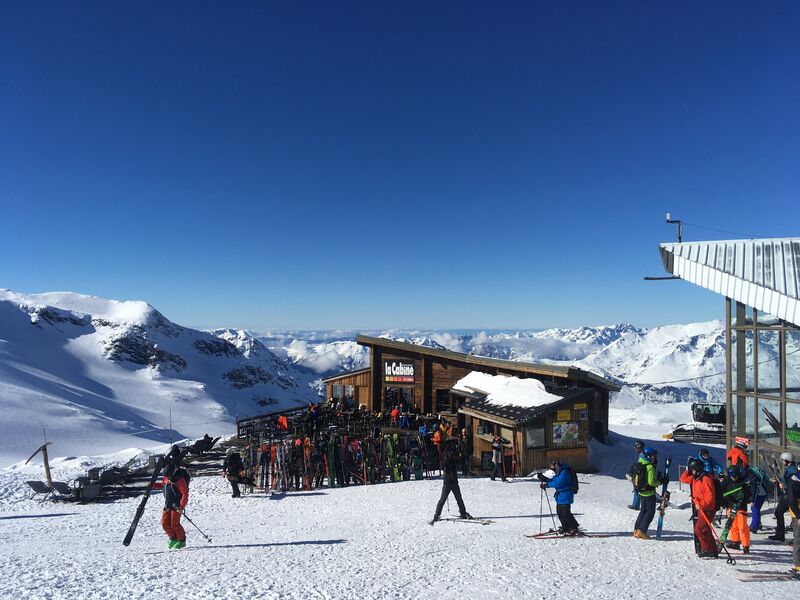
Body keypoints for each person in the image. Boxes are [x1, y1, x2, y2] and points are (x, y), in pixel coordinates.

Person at [680, 458, 719, 558]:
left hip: (708, 508)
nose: (691, 471)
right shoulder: (695, 478)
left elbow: (710, 496)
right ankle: (713, 550)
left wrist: (700, 505)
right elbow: (683, 479)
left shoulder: (705, 478)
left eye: (692, 469)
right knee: (705, 529)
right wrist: (687, 470)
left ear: (697, 469)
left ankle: (707, 549)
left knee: (699, 529)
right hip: (701, 508)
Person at [430, 436, 472, 523]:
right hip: (448, 481)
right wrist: (452, 458)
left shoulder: (448, 454)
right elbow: (444, 464)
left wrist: (455, 458)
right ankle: (437, 514)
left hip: (452, 480)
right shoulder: (446, 455)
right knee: (444, 499)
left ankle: (462, 513)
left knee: (458, 498)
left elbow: (458, 461)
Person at [154, 462, 190, 550]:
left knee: (175, 524)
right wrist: (153, 485)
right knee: (164, 523)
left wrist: (181, 506)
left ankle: (181, 541)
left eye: (169, 476)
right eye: (166, 476)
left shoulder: (179, 480)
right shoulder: (166, 478)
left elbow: (185, 493)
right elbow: (163, 486)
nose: (168, 478)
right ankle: (173, 538)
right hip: (167, 504)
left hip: (177, 505)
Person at [632, 447, 666, 540]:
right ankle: (642, 531)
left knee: (643, 511)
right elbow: (651, 482)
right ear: (648, 457)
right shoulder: (650, 467)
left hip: (642, 492)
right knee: (650, 512)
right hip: (649, 493)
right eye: (653, 457)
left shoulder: (641, 463)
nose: (654, 458)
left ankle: (636, 530)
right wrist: (660, 481)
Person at [538, 460, 580, 535]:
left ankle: (574, 527)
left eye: (553, 467)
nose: (552, 469)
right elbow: (554, 480)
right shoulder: (559, 472)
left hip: (566, 494)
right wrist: (544, 479)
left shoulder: (564, 472)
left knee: (566, 513)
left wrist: (547, 485)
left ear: (556, 465)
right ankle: (566, 527)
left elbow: (559, 483)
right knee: (560, 512)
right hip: (561, 495)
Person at [720, 465, 751, 553]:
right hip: (730, 505)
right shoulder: (727, 479)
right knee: (733, 525)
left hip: (741, 507)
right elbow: (722, 490)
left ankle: (746, 545)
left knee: (742, 526)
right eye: (731, 476)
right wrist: (723, 501)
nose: (733, 478)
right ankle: (735, 542)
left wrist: (745, 493)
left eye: (735, 476)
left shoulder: (743, 481)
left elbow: (749, 494)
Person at [768, 451, 798, 542]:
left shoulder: (792, 471)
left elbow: (794, 484)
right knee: (779, 512)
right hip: (788, 495)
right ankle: (780, 534)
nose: (782, 462)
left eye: (783, 460)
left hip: (791, 495)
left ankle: (794, 537)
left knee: (795, 515)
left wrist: (784, 486)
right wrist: (779, 481)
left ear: (787, 461)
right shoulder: (791, 468)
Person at [786, 469, 800, 574]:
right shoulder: (794, 482)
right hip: (798, 513)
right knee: (798, 538)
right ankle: (798, 564)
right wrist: (799, 516)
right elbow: (791, 500)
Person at [747, 464, 768, 533]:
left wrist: (752, 500)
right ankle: (758, 524)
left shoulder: (751, 473)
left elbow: (754, 488)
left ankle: (754, 527)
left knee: (755, 508)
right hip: (762, 492)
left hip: (759, 493)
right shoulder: (752, 471)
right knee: (755, 508)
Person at [627, 440, 645, 510]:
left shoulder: (643, 455)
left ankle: (636, 505)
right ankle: (635, 504)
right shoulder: (642, 454)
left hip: (641, 474)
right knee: (636, 488)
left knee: (637, 488)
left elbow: (641, 465)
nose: (635, 449)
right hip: (640, 473)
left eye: (636, 447)